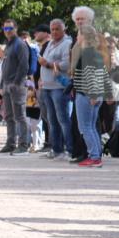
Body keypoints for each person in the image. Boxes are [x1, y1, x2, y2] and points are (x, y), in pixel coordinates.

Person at [71, 25, 115, 168]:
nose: (77, 37)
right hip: (93, 95)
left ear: (84, 37)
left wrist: (94, 94)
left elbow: (91, 75)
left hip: (87, 95)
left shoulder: (87, 54)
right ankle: (96, 155)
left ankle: (95, 157)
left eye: (78, 34)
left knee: (85, 128)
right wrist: (107, 93)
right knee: (91, 127)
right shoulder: (95, 53)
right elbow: (103, 75)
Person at [38, 19, 73, 160]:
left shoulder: (67, 43)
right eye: (52, 29)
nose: (54, 32)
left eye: (57, 29)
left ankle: (70, 150)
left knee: (63, 119)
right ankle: (56, 149)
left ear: (63, 30)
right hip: (46, 86)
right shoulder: (50, 43)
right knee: (51, 120)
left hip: (58, 87)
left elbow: (66, 64)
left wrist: (47, 64)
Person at [0, 19, 31, 156]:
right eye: (5, 29)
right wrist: (1, 85)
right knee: (9, 116)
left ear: (16, 28)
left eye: (10, 28)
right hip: (6, 85)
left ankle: (24, 145)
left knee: (20, 116)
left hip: (16, 85)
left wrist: (16, 83)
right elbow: (4, 66)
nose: (8, 31)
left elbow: (24, 66)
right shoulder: (8, 45)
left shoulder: (20, 44)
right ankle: (10, 143)